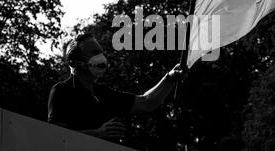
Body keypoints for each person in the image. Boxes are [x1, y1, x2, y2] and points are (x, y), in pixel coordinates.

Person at [48, 33, 184, 141]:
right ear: (75, 60)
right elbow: (56, 138)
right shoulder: (62, 91)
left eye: (101, 52)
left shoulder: (104, 93)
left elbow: (147, 103)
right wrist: (98, 133)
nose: (101, 57)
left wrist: (170, 78)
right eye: (94, 52)